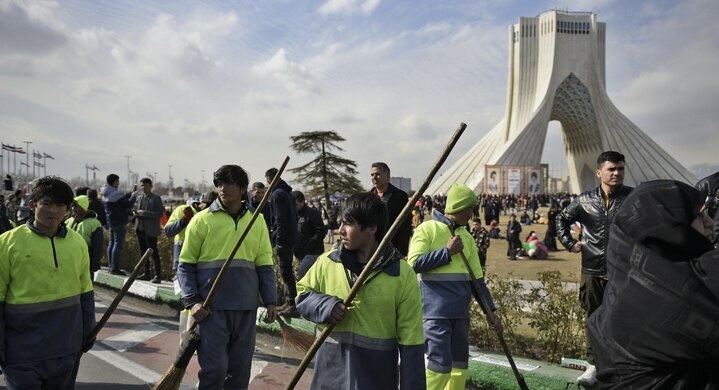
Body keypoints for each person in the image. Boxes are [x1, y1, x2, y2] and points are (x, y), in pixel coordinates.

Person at [587, 179, 718, 388]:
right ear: (671, 227)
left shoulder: (627, 285)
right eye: (700, 216)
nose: (711, 222)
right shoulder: (674, 298)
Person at [296, 192, 426, 389]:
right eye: (340, 223)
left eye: (348, 223)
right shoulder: (327, 262)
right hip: (329, 377)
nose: (340, 230)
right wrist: (327, 306)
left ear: (372, 228)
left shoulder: (401, 275)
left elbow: (412, 343)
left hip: (376, 379)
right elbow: (302, 295)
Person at [177, 165, 277, 390]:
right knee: (214, 369)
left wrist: (270, 300)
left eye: (229, 183)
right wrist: (193, 302)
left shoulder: (256, 221)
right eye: (220, 183)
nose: (223, 188)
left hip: (246, 306)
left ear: (243, 189)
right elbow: (185, 265)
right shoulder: (201, 220)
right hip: (211, 308)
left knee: (240, 371)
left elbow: (264, 263)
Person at [0, 176, 95, 389]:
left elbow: (85, 291)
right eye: (47, 203)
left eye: (60, 205)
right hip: (21, 354)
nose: (53, 211)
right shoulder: (7, 243)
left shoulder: (77, 243)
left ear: (68, 209)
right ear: (33, 205)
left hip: (66, 351)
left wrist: (88, 329)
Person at [408, 183, 501, 390]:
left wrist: (491, 312)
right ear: (459, 207)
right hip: (434, 314)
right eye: (469, 209)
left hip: (460, 314)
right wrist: (446, 253)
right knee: (438, 366)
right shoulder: (427, 229)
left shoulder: (467, 238)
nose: (471, 214)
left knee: (459, 367)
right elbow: (413, 264)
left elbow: (477, 281)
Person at [555, 150, 633, 387]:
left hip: (622, 271)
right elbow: (561, 219)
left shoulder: (633, 198)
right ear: (599, 172)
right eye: (611, 169)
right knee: (593, 318)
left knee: (621, 319)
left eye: (620, 169)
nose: (616, 173)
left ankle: (620, 366)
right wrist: (570, 243)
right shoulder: (585, 200)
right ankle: (594, 365)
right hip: (592, 270)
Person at [165, 191, 218, 343]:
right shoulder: (183, 210)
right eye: (207, 205)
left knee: (200, 302)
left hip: (203, 265)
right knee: (188, 299)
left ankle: (196, 335)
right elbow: (168, 231)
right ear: (202, 202)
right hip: (183, 266)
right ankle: (186, 339)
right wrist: (183, 220)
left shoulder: (214, 216)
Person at [265, 167, 299, 315]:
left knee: (286, 271)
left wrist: (278, 241)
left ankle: (291, 303)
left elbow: (280, 219)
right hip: (290, 236)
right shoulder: (287, 193)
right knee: (287, 271)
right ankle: (289, 301)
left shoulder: (278, 194)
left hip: (284, 238)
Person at [370, 162, 412, 257]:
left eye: (377, 174)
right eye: (372, 175)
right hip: (371, 248)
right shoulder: (368, 197)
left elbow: (405, 226)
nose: (374, 177)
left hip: (392, 248)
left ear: (387, 175)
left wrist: (401, 252)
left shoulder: (399, 196)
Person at [101, 174, 137, 275]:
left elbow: (121, 200)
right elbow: (127, 204)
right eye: (118, 181)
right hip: (119, 221)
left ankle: (111, 266)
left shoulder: (106, 192)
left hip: (111, 221)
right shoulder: (116, 193)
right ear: (115, 182)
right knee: (117, 244)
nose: (119, 183)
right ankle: (115, 268)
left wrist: (130, 193)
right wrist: (133, 197)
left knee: (111, 244)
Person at [132, 178, 164, 283]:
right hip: (140, 229)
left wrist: (144, 213)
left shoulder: (156, 198)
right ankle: (146, 273)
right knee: (143, 252)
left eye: (145, 185)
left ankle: (157, 275)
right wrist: (135, 213)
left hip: (150, 231)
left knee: (154, 253)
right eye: (142, 185)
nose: (143, 188)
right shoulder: (140, 198)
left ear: (151, 186)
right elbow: (135, 209)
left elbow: (159, 214)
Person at [66, 195, 103, 278]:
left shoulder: (94, 224)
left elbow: (98, 246)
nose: (73, 209)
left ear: (83, 208)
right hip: (68, 261)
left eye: (76, 206)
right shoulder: (69, 221)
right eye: (72, 206)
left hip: (86, 262)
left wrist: (94, 264)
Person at [292, 191, 325, 282]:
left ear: (303, 201)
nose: (294, 207)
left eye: (296, 204)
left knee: (303, 280)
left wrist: (308, 247)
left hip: (312, 253)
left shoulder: (313, 213)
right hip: (298, 254)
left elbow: (321, 232)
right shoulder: (294, 214)